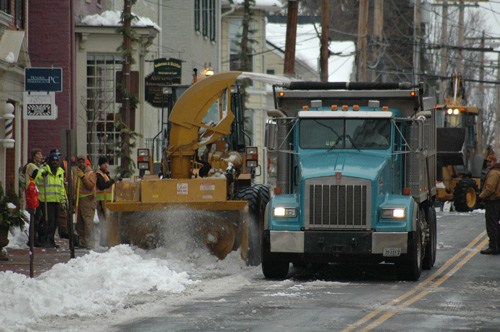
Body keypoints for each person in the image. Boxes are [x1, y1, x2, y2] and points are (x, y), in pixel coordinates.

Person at [35, 153, 67, 248]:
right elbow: (38, 182)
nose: (55, 162)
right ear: (49, 161)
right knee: (48, 221)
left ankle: (51, 239)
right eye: (53, 160)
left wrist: (63, 200)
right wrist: (42, 176)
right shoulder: (43, 170)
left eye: (56, 160)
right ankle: (46, 238)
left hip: (56, 200)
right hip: (46, 200)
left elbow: (61, 187)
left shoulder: (60, 172)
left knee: (55, 222)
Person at [479, 155, 500, 255]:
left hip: (493, 201)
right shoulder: (498, 171)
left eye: (490, 162)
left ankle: (493, 247)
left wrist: (481, 197)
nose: (488, 164)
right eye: (487, 162)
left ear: (494, 162)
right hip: (497, 201)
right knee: (496, 224)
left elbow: (490, 188)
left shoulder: (493, 173)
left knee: (492, 224)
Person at [23, 148, 44, 247]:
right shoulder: (31, 166)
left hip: (35, 193)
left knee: (37, 217)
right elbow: (38, 175)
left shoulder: (35, 166)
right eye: (38, 154)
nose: (41, 156)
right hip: (32, 194)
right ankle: (33, 239)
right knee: (35, 218)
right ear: (34, 155)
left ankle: (35, 238)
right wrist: (43, 169)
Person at [76, 155, 97, 249]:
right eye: (79, 162)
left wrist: (83, 177)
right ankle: (83, 242)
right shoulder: (78, 174)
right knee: (80, 223)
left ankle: (90, 242)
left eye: (83, 162)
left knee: (88, 222)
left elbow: (90, 186)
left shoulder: (90, 173)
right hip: (80, 200)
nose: (81, 164)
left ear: (86, 162)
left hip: (88, 200)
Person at [95, 156, 115, 247]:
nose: (106, 165)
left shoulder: (106, 174)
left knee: (106, 222)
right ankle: (104, 241)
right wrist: (111, 182)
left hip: (106, 201)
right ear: (100, 165)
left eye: (107, 163)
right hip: (102, 201)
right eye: (104, 163)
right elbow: (101, 186)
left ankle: (106, 240)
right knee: (104, 222)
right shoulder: (99, 174)